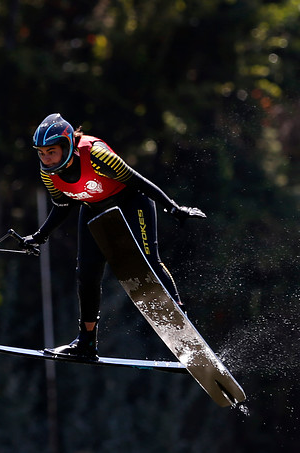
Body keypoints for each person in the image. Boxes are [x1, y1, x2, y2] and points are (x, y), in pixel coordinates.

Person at [23, 113, 206, 359]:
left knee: (148, 263)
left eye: (51, 151)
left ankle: (185, 327)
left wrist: (173, 207)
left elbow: (138, 182)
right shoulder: (49, 173)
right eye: (41, 153)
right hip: (93, 211)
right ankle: (86, 343)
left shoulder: (96, 154)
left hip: (131, 203)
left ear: (67, 144)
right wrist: (39, 236)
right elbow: (63, 206)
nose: (46, 158)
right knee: (86, 275)